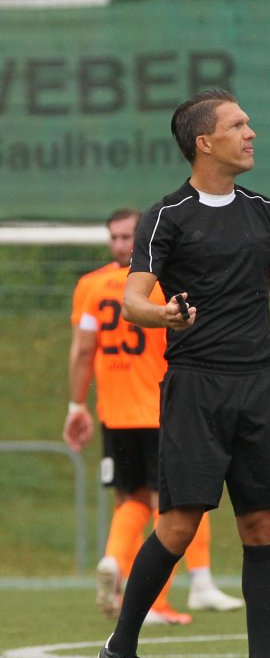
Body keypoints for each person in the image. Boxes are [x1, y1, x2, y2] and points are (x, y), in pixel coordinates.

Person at [96, 89, 270, 658]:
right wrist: (165, 316)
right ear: (205, 142)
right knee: (177, 524)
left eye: (248, 122)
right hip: (195, 385)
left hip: (257, 385)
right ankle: (120, 649)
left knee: (262, 524)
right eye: (238, 124)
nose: (251, 133)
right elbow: (135, 300)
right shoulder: (166, 216)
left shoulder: (267, 213)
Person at [63, 209, 243, 624]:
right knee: (175, 504)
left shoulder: (90, 286)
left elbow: (82, 350)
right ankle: (173, 595)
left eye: (127, 236)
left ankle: (115, 560)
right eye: (116, 237)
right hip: (161, 410)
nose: (121, 244)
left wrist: (76, 405)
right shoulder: (161, 284)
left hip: (116, 414)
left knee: (133, 500)